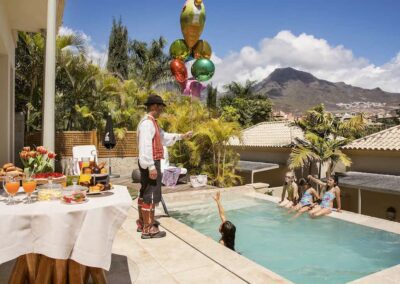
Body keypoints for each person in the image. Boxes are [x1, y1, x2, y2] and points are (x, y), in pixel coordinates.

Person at [136, 94, 192, 239]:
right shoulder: (147, 124)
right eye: (160, 107)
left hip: (151, 163)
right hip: (151, 162)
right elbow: (145, 146)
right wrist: (151, 167)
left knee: (144, 194)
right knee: (151, 195)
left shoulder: (152, 122)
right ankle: (148, 230)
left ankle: (142, 223)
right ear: (154, 106)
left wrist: (182, 136)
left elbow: (164, 137)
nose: (162, 110)